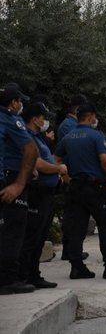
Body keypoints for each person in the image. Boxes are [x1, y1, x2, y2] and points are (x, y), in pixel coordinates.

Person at [53, 102, 106, 280]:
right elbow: (105, 160)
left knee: (77, 229)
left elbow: (55, 159)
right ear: (90, 116)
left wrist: (66, 178)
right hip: (95, 188)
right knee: (105, 225)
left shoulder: (68, 136)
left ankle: (77, 267)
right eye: (95, 116)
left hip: (75, 188)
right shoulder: (96, 135)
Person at [18, 102, 65, 289]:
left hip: (47, 193)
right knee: (31, 236)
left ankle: (33, 273)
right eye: (44, 117)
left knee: (40, 236)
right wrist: (58, 169)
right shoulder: (27, 136)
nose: (45, 121)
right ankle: (23, 275)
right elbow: (36, 163)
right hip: (36, 192)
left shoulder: (38, 137)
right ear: (35, 118)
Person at [0, 83, 39, 295]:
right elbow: (30, 149)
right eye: (20, 101)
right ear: (13, 102)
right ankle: (7, 279)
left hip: (9, 176)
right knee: (13, 231)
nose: (21, 105)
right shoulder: (10, 119)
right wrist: (19, 183)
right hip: (9, 180)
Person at [57, 93, 88, 262]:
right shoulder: (68, 126)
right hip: (72, 175)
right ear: (77, 108)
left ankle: (74, 249)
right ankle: (69, 250)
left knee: (77, 215)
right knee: (73, 215)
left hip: (76, 174)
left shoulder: (72, 125)